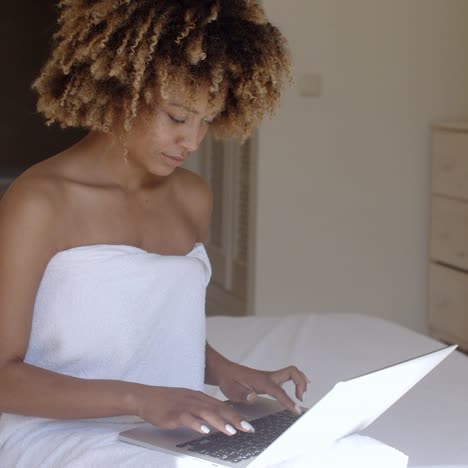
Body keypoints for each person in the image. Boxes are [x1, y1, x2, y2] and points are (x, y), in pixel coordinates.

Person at [0, 1, 309, 466]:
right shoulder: (40, 201)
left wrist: (225, 372)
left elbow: (151, 324)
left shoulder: (192, 195)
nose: (193, 142)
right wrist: (142, 400)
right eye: (178, 117)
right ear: (122, 89)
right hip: (56, 429)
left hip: (172, 429)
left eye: (208, 120)